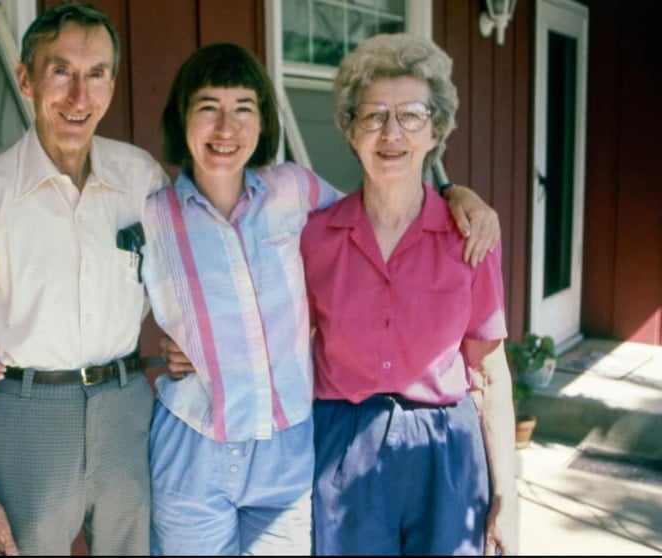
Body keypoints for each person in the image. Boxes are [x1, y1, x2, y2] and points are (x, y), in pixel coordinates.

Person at [140, 43, 501, 555]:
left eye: (243, 109)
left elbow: (387, 204)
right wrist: (163, 349)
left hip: (284, 447)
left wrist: (455, 193)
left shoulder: (295, 191)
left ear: (264, 121)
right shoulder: (150, 209)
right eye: (208, 109)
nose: (226, 128)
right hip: (196, 438)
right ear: (182, 117)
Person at [0, 2, 170, 555]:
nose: (79, 98)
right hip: (30, 415)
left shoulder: (141, 179)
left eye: (96, 74)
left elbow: (176, 291)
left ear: (111, 82)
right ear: (25, 79)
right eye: (61, 72)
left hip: (127, 407)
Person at [300, 33, 518, 555]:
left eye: (412, 115)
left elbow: (490, 373)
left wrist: (507, 495)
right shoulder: (314, 236)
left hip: (445, 452)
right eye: (373, 116)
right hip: (344, 447)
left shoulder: (472, 236)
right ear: (351, 131)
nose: (391, 132)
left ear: (434, 130)